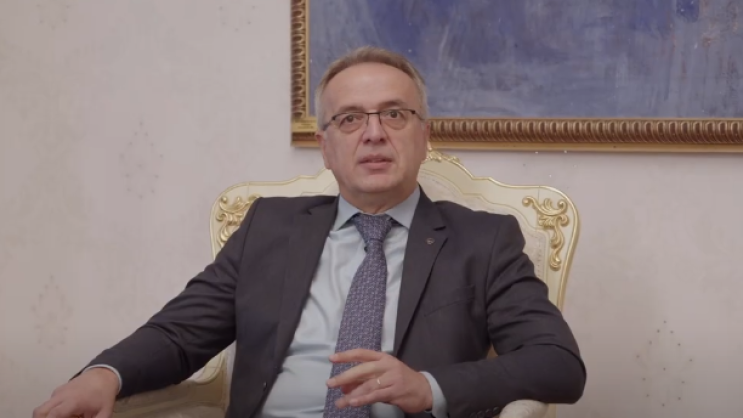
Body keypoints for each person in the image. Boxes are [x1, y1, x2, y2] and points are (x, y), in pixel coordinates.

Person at [33, 46, 586, 418]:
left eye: (394, 114)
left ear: (424, 137)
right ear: (325, 147)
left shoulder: (483, 240)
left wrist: (430, 388)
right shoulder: (268, 227)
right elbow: (180, 333)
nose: (373, 133)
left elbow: (558, 364)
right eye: (350, 119)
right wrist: (105, 375)